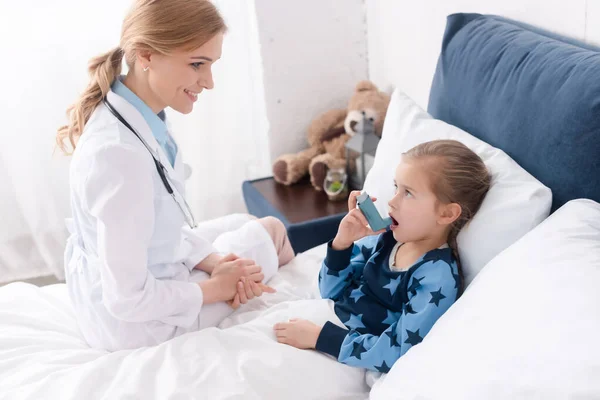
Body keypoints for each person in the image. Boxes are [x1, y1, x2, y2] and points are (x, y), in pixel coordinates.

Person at [57, 0, 293, 351]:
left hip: (133, 280)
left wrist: (213, 262)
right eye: (197, 64)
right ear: (146, 55)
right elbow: (126, 298)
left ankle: (233, 265)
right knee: (272, 229)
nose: (209, 82)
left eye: (211, 65)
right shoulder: (119, 155)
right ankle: (294, 282)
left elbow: (156, 228)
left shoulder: (136, 114)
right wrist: (217, 288)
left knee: (242, 221)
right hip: (140, 323)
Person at [274, 140, 491, 372]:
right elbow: (331, 290)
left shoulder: (436, 276)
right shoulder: (387, 240)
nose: (392, 200)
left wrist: (321, 338)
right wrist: (342, 243)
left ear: (447, 213)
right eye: (396, 186)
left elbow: (398, 351)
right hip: (324, 326)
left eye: (408, 193)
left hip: (345, 352)